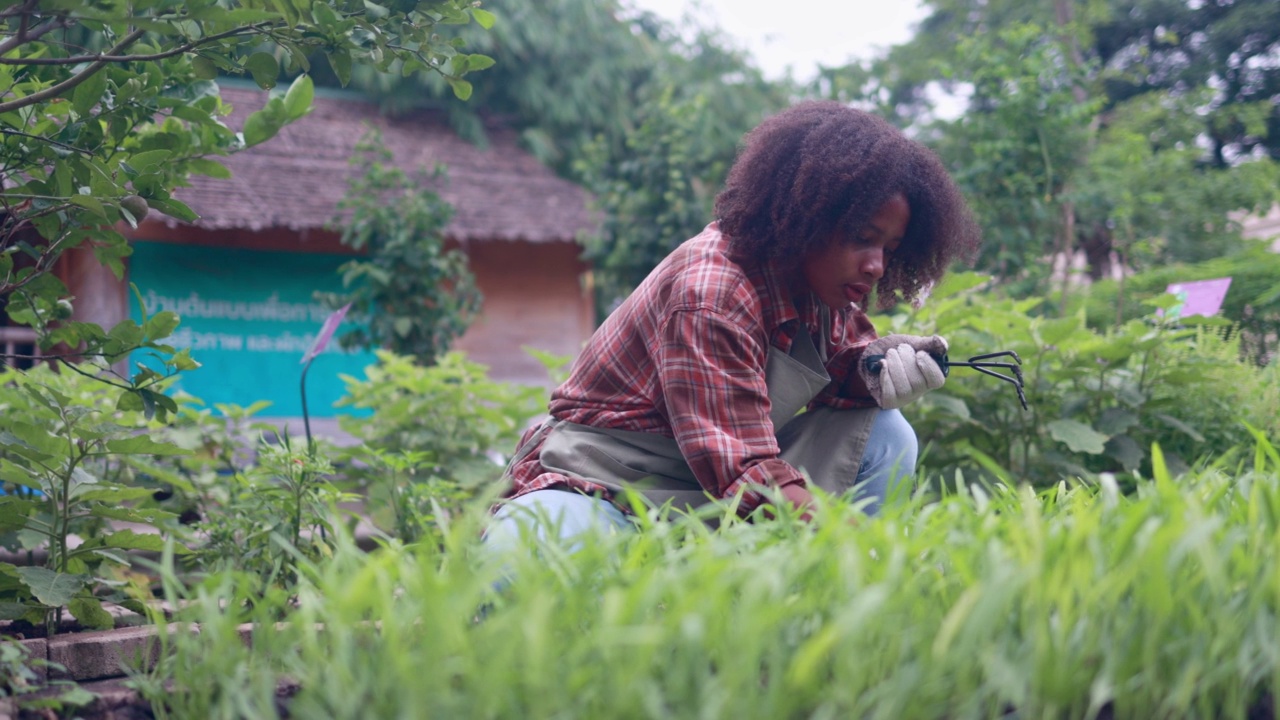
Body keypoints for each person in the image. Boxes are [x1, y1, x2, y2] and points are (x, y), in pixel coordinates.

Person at [486, 100, 980, 550]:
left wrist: (880, 369)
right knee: (518, 557)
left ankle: (825, 608)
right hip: (613, 480)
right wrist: (868, 551)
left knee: (887, 434)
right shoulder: (711, 293)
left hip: (722, 476)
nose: (875, 266)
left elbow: (841, 369)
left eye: (888, 250)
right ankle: (851, 575)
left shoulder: (821, 286)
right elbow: (748, 473)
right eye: (861, 238)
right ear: (807, 215)